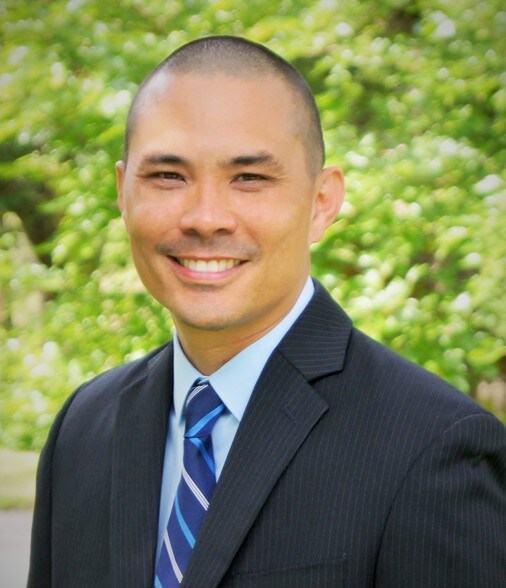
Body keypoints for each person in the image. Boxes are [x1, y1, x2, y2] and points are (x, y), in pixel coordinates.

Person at [28, 36, 505, 588]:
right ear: (123, 191)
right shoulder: (83, 428)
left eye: (249, 178)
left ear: (322, 202)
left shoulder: (435, 446)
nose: (206, 218)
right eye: (168, 176)